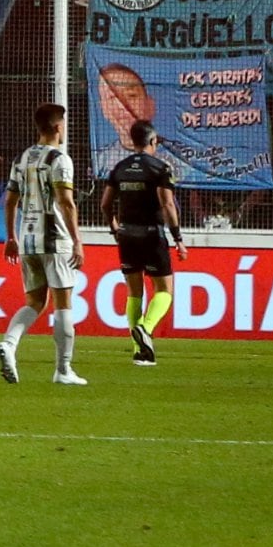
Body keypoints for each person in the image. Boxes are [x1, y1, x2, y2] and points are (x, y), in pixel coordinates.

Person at [0, 102, 86, 387]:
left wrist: (10, 237)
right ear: (59, 126)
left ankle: (9, 344)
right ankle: (63, 370)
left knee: (35, 301)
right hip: (55, 240)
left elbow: (10, 200)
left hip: (27, 241)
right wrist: (77, 241)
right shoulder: (60, 159)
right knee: (63, 305)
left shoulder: (21, 159)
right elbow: (66, 202)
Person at [99, 117, 186, 365]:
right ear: (152, 140)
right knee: (164, 290)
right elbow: (168, 204)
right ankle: (146, 330)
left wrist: (115, 229)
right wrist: (178, 238)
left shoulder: (120, 168)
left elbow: (105, 204)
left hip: (126, 234)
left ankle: (140, 351)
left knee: (134, 292)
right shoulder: (160, 168)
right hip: (150, 234)